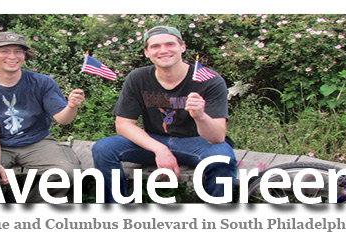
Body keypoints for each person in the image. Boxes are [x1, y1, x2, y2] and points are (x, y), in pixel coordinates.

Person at [91, 26, 238, 203]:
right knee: (103, 148)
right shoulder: (138, 78)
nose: (163, 50)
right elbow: (123, 124)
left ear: (182, 47)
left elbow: (217, 136)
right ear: (146, 52)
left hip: (198, 142)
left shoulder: (209, 80)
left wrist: (200, 115)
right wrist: (160, 149)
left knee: (223, 159)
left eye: (170, 44)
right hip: (155, 140)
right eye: (155, 46)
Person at [0, 31, 85, 202]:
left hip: (37, 142)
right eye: (4, 51)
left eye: (18, 51)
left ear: (24, 55)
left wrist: (71, 106)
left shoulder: (42, 82)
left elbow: (63, 119)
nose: (12, 56)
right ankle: (1, 200)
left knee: (69, 172)